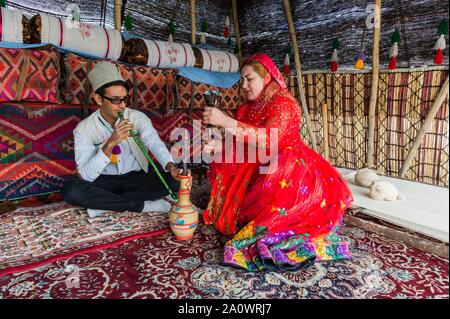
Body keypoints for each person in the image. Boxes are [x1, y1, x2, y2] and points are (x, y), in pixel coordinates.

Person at [202, 53, 353, 272]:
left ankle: (279, 220)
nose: (243, 85)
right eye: (241, 80)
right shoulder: (246, 107)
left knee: (283, 163)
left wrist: (225, 121)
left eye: (249, 79)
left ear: (266, 78)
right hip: (257, 161)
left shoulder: (284, 103)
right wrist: (217, 145)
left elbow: (268, 139)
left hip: (288, 164)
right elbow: (240, 142)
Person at [62, 61, 189, 218]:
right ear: (98, 99)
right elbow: (86, 176)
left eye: (125, 99)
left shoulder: (137, 118)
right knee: (71, 190)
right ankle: (142, 205)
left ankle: (105, 205)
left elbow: (154, 143)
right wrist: (110, 143)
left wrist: (171, 166)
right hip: (104, 181)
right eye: (115, 100)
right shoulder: (84, 129)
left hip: (136, 178)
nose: (122, 105)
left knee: (175, 181)